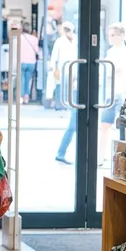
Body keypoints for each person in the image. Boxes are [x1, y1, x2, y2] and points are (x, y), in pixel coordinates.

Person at [100, 23, 126, 163]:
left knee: (123, 128)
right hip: (111, 93)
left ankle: (122, 158)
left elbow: (119, 71)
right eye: (109, 35)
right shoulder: (111, 51)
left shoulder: (124, 52)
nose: (110, 38)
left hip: (120, 93)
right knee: (105, 125)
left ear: (121, 35)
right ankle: (102, 156)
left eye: (113, 35)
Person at [53, 22, 79, 164]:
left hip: (73, 81)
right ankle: (61, 152)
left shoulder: (75, 41)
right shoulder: (60, 41)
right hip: (67, 78)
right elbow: (55, 59)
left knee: (75, 122)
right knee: (74, 122)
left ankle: (62, 152)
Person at [49, 21, 77, 112]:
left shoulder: (61, 40)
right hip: (67, 68)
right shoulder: (71, 40)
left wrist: (52, 66)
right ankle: (65, 105)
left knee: (62, 87)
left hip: (68, 68)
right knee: (65, 87)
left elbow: (54, 56)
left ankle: (62, 105)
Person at [18, 21, 41, 104]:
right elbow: (37, 51)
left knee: (21, 80)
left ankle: (20, 97)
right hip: (31, 62)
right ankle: (26, 97)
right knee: (28, 80)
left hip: (21, 61)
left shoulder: (18, 38)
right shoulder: (34, 39)